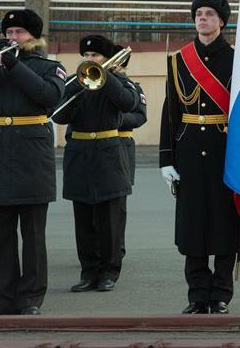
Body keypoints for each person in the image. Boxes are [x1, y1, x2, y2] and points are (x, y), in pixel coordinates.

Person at [0, 9, 66, 315]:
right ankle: (3, 298)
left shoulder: (50, 67)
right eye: (8, 33)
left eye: (18, 33)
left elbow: (48, 96)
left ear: (33, 36)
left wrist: (14, 63)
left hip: (32, 152)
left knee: (33, 233)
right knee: (3, 232)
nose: (12, 38)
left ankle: (31, 298)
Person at [159, 0, 240, 315]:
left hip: (225, 150)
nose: (203, 18)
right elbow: (170, 110)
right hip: (187, 150)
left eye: (210, 14)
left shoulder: (237, 59)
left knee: (226, 224)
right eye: (199, 13)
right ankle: (197, 294)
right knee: (193, 225)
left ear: (221, 21)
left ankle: (221, 293)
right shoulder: (179, 59)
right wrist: (166, 158)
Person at [53, 35, 138, 293]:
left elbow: (129, 104)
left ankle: (109, 272)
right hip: (79, 152)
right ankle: (88, 272)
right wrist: (78, 90)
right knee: (84, 219)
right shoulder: (72, 83)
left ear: (106, 59)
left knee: (109, 218)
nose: (90, 60)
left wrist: (106, 77)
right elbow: (58, 114)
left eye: (96, 57)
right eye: (87, 56)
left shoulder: (121, 82)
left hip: (108, 152)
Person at [113, 45, 147, 266]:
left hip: (121, 143)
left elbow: (139, 117)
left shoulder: (131, 87)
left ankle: (117, 247)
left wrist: (114, 120)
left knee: (117, 204)